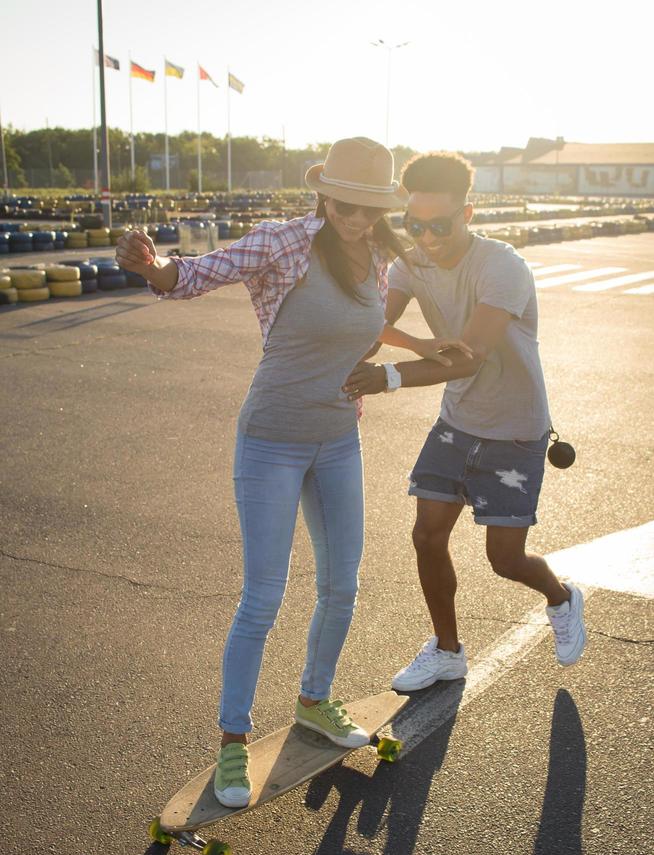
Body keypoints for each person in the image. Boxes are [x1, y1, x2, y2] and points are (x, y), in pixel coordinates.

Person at [116, 138, 466, 807]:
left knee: (341, 584)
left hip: (338, 439)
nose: (358, 219)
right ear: (323, 194)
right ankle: (231, 744)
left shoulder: (380, 254)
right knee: (264, 597)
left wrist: (420, 343)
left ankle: (314, 699)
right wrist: (153, 266)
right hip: (271, 442)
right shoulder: (282, 244)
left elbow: (362, 331)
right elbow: (192, 277)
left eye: (370, 207)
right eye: (347, 205)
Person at [343, 151, 587, 691]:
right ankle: (448, 651)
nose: (426, 237)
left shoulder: (502, 266)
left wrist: (389, 377)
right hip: (457, 422)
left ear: (468, 213)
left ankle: (563, 597)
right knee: (427, 537)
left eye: (440, 224)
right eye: (415, 224)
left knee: (505, 558)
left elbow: (471, 354)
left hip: (516, 430)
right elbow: (372, 323)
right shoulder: (409, 266)